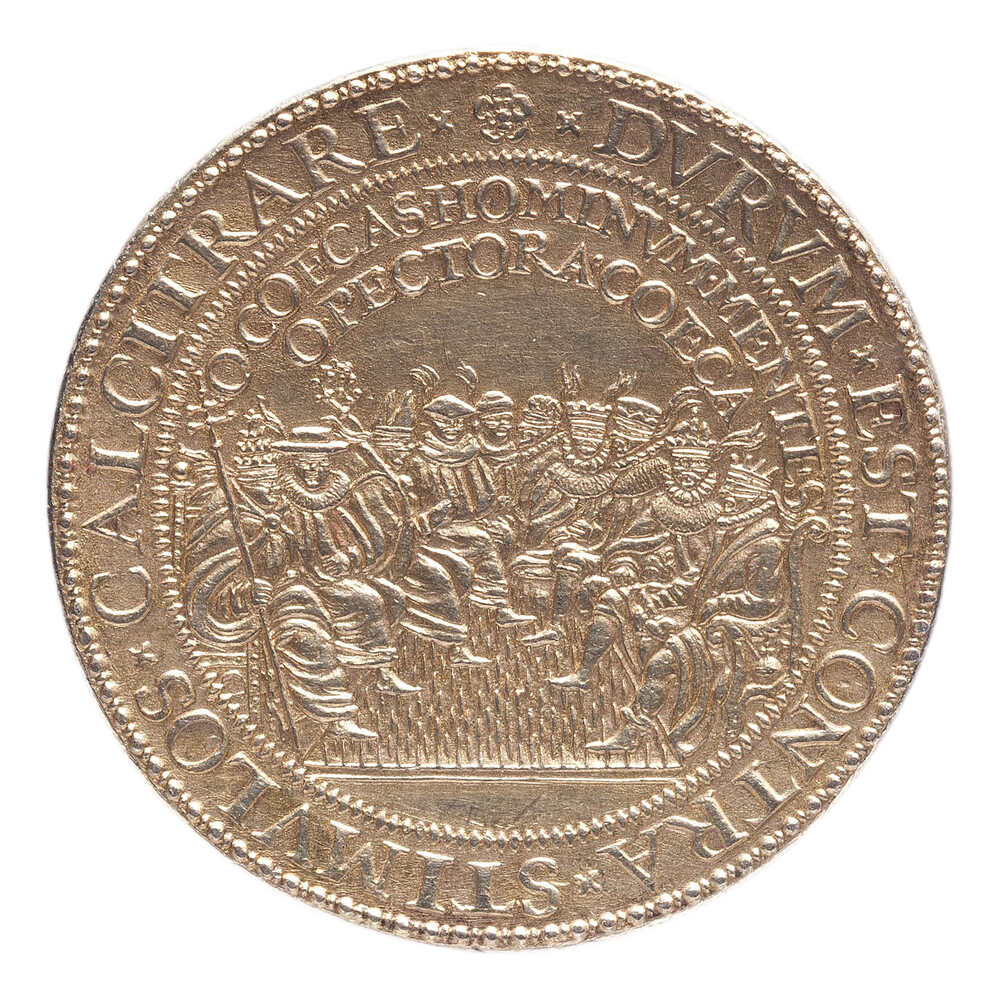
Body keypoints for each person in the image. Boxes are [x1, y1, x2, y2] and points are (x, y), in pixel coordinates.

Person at [185, 423, 417, 745]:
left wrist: (344, 560)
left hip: (310, 582)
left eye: (319, 463)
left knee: (369, 599)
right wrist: (247, 593)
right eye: (263, 488)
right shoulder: (237, 516)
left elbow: (325, 547)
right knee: (307, 625)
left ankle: (379, 672)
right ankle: (336, 716)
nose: (272, 494)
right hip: (272, 599)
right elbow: (210, 579)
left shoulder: (299, 504)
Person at [403, 393, 534, 665]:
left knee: (499, 534)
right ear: (433, 422)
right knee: (481, 540)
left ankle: (491, 602)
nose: (452, 428)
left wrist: (483, 511)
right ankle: (497, 606)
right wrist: (436, 515)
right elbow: (414, 506)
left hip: (470, 520)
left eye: (458, 422)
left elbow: (487, 493)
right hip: (437, 528)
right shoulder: (420, 459)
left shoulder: (471, 453)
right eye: (445, 422)